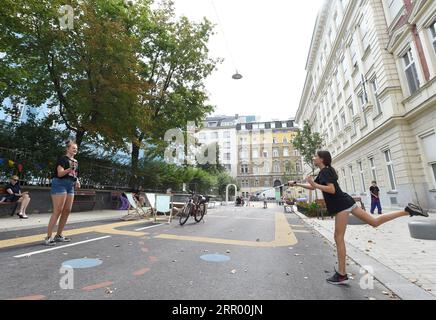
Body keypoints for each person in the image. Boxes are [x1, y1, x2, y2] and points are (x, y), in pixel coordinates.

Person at [288, 150, 428, 285]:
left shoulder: (326, 171)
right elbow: (313, 188)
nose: (313, 158)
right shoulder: (325, 171)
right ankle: (407, 211)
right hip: (346, 202)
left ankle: (342, 274)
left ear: (322, 159)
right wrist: (297, 183)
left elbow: (331, 189)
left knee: (338, 237)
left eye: (315, 156)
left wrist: (314, 184)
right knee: (374, 221)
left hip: (342, 205)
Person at [44, 140, 81, 246]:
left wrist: (77, 180)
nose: (75, 150)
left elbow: (74, 173)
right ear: (68, 149)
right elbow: (60, 173)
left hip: (70, 185)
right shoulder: (63, 159)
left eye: (76, 148)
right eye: (73, 148)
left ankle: (59, 235)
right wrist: (69, 169)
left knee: (67, 210)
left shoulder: (76, 161)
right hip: (60, 184)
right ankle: (48, 237)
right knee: (58, 210)